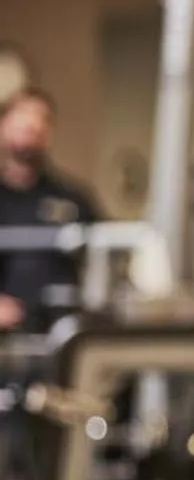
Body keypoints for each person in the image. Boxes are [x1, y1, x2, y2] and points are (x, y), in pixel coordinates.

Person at [0, 87, 102, 333]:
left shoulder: (74, 200)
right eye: (23, 116)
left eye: (42, 119)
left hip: (60, 337)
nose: (32, 125)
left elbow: (102, 261)